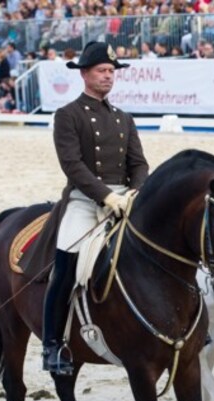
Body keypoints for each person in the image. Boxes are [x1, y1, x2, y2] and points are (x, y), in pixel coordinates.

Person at [43, 41, 149, 374]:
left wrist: (137, 191)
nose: (108, 77)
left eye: (112, 72)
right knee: (66, 264)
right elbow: (73, 165)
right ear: (85, 74)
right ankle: (52, 344)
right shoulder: (68, 115)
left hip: (125, 198)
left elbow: (139, 163)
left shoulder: (123, 117)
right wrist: (106, 196)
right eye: (102, 71)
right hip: (85, 201)